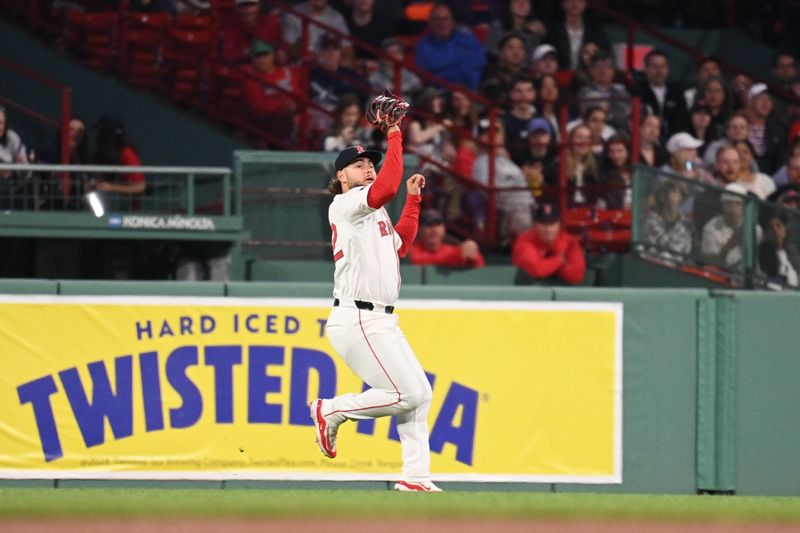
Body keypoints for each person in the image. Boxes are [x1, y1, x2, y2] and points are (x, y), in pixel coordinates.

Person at [311, 103, 442, 493]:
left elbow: (400, 245)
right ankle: (331, 409)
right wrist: (396, 133)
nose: (368, 166)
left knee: (420, 395)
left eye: (371, 162)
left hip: (381, 319)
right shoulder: (347, 204)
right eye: (358, 165)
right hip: (358, 318)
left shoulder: (373, 213)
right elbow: (385, 188)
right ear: (341, 177)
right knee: (407, 393)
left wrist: (414, 200)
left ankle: (415, 478)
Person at [471, 118, 535, 241]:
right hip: (510, 212)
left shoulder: (505, 160)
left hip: (527, 207)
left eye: (496, 132)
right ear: (478, 139)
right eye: (486, 133)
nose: (493, 136)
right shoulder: (482, 162)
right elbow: (491, 195)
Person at [414, 2, 487, 91]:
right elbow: (427, 68)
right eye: (437, 19)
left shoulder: (467, 38)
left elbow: (480, 59)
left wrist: (444, 65)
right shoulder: (423, 45)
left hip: (470, 92)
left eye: (446, 18)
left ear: (452, 21)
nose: (442, 23)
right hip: (439, 93)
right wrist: (460, 56)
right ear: (430, 22)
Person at [512, 202, 586, 284]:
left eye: (552, 223)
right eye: (543, 224)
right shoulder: (525, 240)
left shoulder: (569, 241)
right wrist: (560, 260)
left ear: (559, 225)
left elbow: (576, 276)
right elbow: (536, 270)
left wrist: (547, 263)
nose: (548, 229)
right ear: (535, 225)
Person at [242, 40, 300, 141]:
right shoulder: (252, 79)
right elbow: (258, 107)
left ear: (273, 55)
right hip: (269, 121)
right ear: (252, 59)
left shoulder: (286, 72)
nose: (262, 59)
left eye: (265, 55)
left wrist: (294, 105)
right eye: (258, 56)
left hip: (293, 115)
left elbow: (298, 93)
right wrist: (283, 106)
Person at [700, 182, 762, 269]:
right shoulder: (711, 227)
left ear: (744, 206)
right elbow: (707, 262)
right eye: (728, 203)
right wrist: (729, 245)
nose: (733, 208)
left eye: (737, 203)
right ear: (722, 205)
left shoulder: (755, 230)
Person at [635, 49, 688, 142]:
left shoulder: (677, 93)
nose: (659, 71)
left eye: (662, 66)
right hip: (644, 140)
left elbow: (682, 120)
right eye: (654, 66)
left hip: (672, 141)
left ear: (668, 69)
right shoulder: (637, 91)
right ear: (646, 69)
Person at [89, 115, 145, 200]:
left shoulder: (127, 153)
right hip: (105, 205)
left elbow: (140, 187)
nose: (97, 135)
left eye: (100, 131)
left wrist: (111, 187)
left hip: (127, 209)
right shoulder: (101, 153)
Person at [575, 49, 631, 132]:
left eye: (608, 67)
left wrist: (607, 112)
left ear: (614, 71)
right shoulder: (584, 93)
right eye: (599, 66)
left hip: (618, 134)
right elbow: (590, 116)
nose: (603, 70)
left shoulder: (622, 93)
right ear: (591, 70)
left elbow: (622, 118)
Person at [409, 208, 485, 268]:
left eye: (438, 224)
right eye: (429, 225)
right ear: (420, 230)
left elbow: (480, 266)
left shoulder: (451, 250)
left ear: (444, 229)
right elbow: (417, 261)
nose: (434, 229)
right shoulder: (410, 251)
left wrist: (473, 254)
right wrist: (455, 256)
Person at [282, 0, 353, 63]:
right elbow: (288, 48)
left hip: (327, 70)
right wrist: (299, 49)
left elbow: (348, 51)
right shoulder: (293, 14)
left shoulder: (337, 18)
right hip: (301, 68)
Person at [545, 0, 608, 71]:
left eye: (579, 1)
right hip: (559, 75)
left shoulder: (595, 32)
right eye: (570, 1)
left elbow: (606, 55)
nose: (574, 4)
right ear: (563, 3)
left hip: (588, 76)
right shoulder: (553, 32)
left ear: (585, 4)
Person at [219, 0, 282, 65]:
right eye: (243, 5)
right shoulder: (231, 27)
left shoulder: (271, 22)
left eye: (251, 4)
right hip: (244, 69)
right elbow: (227, 56)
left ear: (258, 6)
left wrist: (281, 53)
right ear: (237, 9)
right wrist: (245, 52)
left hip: (272, 67)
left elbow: (281, 46)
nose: (247, 10)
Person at [643, 179, 693, 259]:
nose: (670, 196)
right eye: (666, 192)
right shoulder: (650, 220)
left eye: (675, 192)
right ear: (661, 197)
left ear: (681, 197)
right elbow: (645, 248)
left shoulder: (686, 225)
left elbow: (685, 252)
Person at [485, 0, 545, 66]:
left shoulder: (535, 29)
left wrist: (544, 35)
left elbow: (534, 59)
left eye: (526, 2)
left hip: (527, 72)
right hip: (501, 70)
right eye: (517, 2)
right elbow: (492, 53)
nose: (522, 5)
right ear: (509, 5)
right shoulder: (498, 26)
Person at [745, 83, 787, 176]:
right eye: (761, 99)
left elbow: (780, 164)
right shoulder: (738, 126)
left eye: (769, 99)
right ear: (750, 101)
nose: (766, 103)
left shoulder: (778, 133)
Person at [479, 33, 529, 107]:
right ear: (500, 53)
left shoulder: (527, 75)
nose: (516, 52)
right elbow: (495, 97)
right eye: (510, 48)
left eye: (520, 48)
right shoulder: (491, 71)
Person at [367, 38, 423, 103]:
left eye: (396, 53)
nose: (393, 57)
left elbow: (418, 92)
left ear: (402, 56)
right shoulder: (374, 78)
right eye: (389, 53)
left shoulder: (411, 77)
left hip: (408, 111)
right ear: (383, 56)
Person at [501, 75, 538, 165]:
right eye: (519, 91)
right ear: (511, 94)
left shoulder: (542, 120)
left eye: (528, 90)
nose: (524, 96)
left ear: (534, 93)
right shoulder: (503, 122)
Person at [757, 209, 799, 288]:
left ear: (785, 228)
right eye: (770, 228)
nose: (775, 231)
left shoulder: (790, 253)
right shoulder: (763, 254)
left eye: (778, 226)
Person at [0, 105, 30, 210]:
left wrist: (22, 167)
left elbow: (26, 171)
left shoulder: (12, 138)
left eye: (0, 123)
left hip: (10, 188)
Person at [596, 133, 632, 210]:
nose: (616, 156)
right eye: (611, 151)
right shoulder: (604, 175)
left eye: (620, 151)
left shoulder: (636, 171)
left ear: (628, 151)